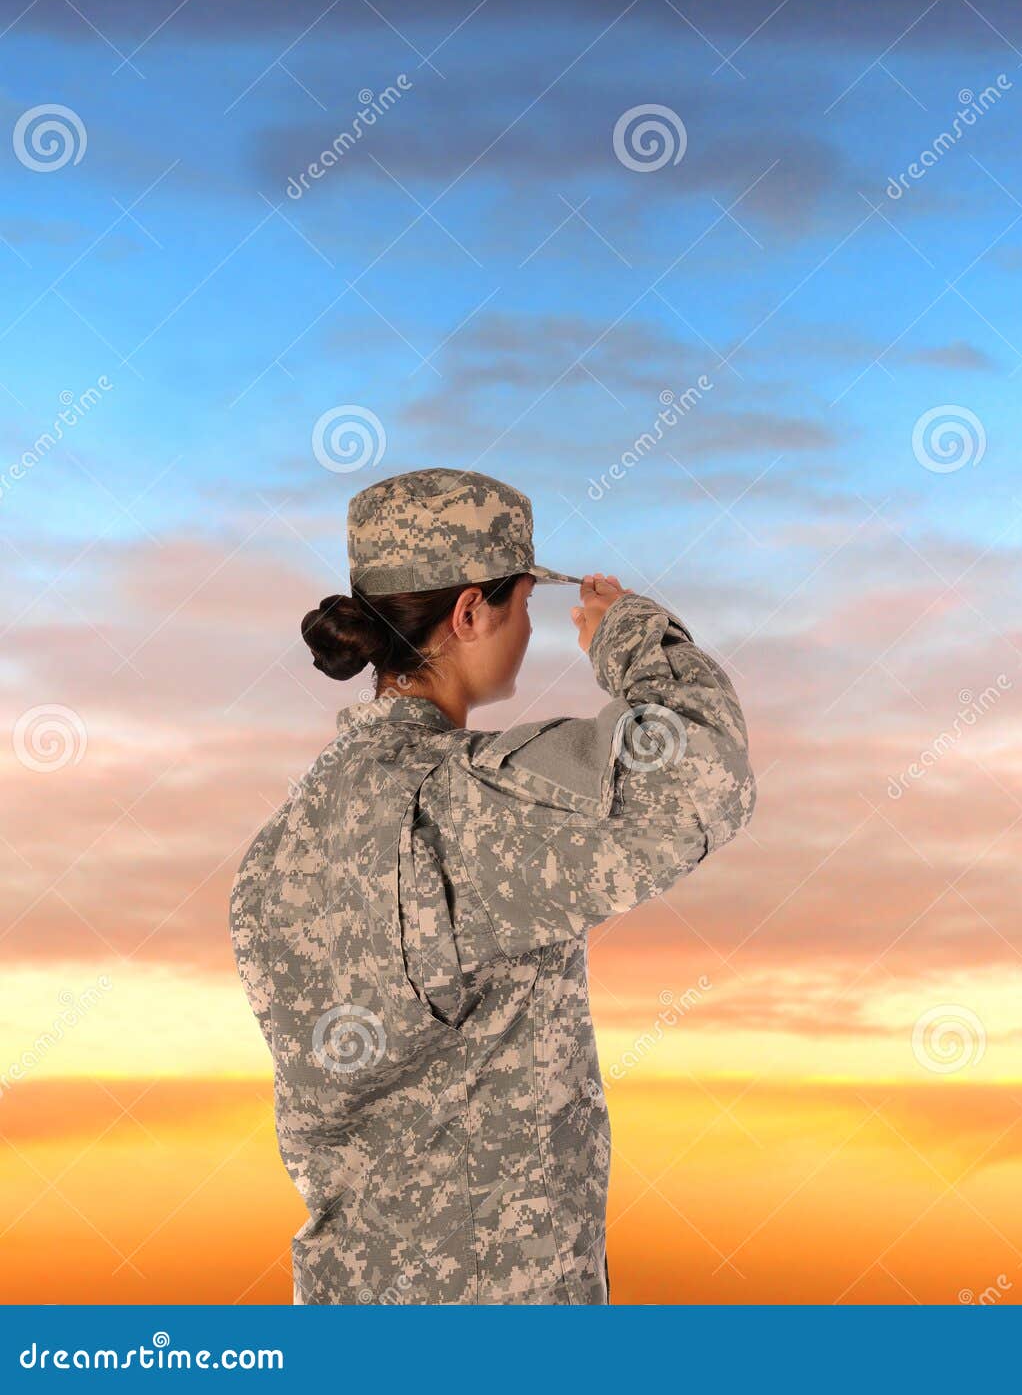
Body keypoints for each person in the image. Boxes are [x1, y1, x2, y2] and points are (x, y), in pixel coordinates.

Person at [229, 467, 755, 1304]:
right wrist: (630, 637)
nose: (528, 628)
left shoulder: (278, 849)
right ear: (471, 612)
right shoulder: (469, 805)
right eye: (522, 604)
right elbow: (703, 776)